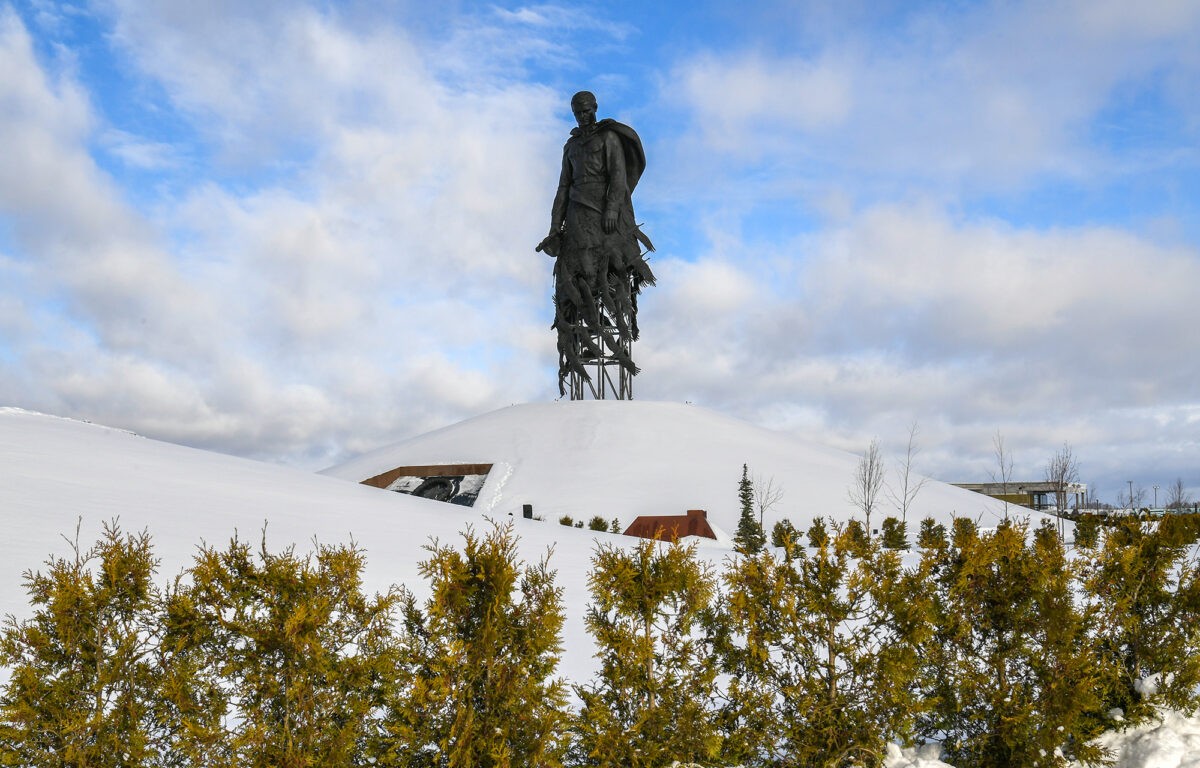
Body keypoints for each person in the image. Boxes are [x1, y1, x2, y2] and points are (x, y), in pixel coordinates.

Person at [537, 91, 655, 395]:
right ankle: (586, 332)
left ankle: (613, 330)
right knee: (576, 278)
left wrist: (614, 209)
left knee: (607, 273)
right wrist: (554, 227)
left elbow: (618, 176)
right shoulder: (571, 146)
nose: (583, 116)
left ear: (595, 109)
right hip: (577, 216)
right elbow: (563, 187)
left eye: (587, 111)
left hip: (604, 215)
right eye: (577, 112)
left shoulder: (608, 139)